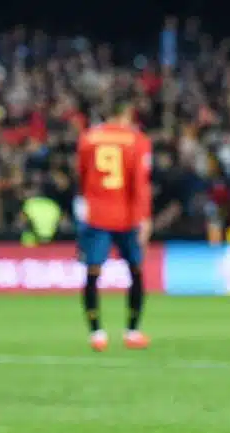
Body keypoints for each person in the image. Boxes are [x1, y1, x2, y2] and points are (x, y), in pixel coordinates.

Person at [75, 102, 153, 351]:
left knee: (92, 272)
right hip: (127, 215)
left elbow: (82, 176)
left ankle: (96, 334)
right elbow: (140, 183)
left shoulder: (88, 138)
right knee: (136, 270)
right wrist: (144, 218)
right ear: (126, 114)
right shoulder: (137, 140)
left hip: (96, 214)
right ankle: (132, 331)